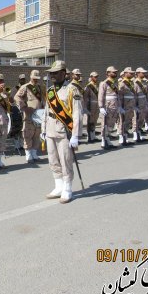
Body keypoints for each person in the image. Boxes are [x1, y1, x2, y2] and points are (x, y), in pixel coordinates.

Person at [42, 61, 83, 204]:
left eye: (56, 72)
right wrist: (43, 129)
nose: (52, 75)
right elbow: (47, 112)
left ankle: (67, 188)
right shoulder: (50, 91)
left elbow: (77, 114)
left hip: (65, 130)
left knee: (65, 160)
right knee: (53, 160)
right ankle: (58, 186)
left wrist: (76, 135)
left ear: (64, 73)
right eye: (51, 73)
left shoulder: (72, 89)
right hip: (50, 130)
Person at [14, 70, 44, 163]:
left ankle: (34, 154)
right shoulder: (26, 87)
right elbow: (16, 97)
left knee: (36, 135)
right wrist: (24, 107)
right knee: (28, 135)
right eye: (34, 78)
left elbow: (43, 100)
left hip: (38, 116)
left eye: (37, 79)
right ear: (31, 77)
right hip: (29, 115)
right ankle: (28, 155)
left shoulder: (40, 87)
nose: (35, 80)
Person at [98, 66, 119, 149]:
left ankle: (108, 139)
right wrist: (101, 107)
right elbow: (100, 95)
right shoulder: (104, 83)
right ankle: (104, 141)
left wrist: (119, 106)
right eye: (113, 72)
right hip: (107, 105)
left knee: (111, 123)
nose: (115, 73)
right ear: (108, 73)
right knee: (105, 123)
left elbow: (117, 96)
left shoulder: (115, 83)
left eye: (115, 72)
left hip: (114, 106)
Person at [117, 67, 136, 145]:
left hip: (130, 105)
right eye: (130, 73)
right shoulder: (122, 83)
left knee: (128, 121)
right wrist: (120, 106)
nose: (132, 74)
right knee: (122, 121)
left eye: (132, 73)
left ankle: (125, 137)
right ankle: (122, 138)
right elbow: (120, 96)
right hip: (125, 105)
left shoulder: (131, 82)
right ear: (125, 74)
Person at [132, 67, 148, 142]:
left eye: (144, 73)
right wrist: (135, 106)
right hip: (138, 103)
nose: (144, 74)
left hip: (143, 103)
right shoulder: (135, 83)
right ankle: (135, 135)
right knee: (136, 119)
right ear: (138, 73)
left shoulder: (144, 82)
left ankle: (139, 133)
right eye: (142, 73)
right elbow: (134, 95)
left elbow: (146, 94)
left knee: (141, 119)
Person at [83, 71, 100, 143]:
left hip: (97, 105)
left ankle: (93, 136)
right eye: (95, 77)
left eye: (97, 77)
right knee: (90, 121)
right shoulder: (89, 86)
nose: (96, 78)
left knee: (95, 121)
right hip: (91, 105)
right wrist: (85, 107)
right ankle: (89, 137)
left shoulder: (96, 85)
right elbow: (85, 97)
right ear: (91, 77)